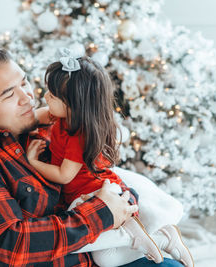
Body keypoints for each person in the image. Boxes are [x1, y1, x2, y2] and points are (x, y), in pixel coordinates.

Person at [0, 44, 184, 267]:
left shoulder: (39, 128)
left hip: (103, 247)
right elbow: (11, 245)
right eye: (9, 94)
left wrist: (121, 200)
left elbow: (92, 172)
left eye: (24, 83)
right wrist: (103, 212)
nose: (28, 97)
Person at [26, 49, 194, 267]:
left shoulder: (78, 134)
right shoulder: (62, 116)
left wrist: (34, 162)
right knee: (108, 257)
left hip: (93, 196)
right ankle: (156, 237)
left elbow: (64, 175)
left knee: (103, 258)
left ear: (73, 105)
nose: (45, 97)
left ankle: (161, 239)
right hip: (97, 192)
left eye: (53, 95)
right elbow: (33, 117)